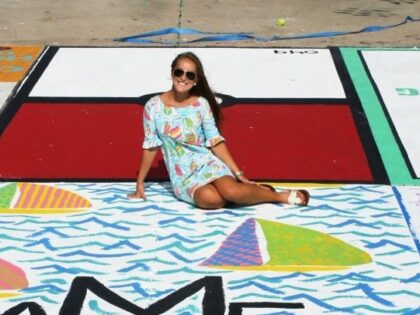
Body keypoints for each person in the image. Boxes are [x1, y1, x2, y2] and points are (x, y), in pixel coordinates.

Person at [130, 52, 310, 210]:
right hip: (182, 176)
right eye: (179, 72)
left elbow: (215, 141)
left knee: (231, 190)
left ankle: (277, 196)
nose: (183, 77)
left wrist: (239, 174)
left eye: (189, 75)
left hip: (207, 163)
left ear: (195, 81)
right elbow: (151, 147)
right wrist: (140, 184)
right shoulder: (153, 106)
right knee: (210, 199)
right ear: (172, 73)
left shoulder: (201, 104)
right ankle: (254, 193)